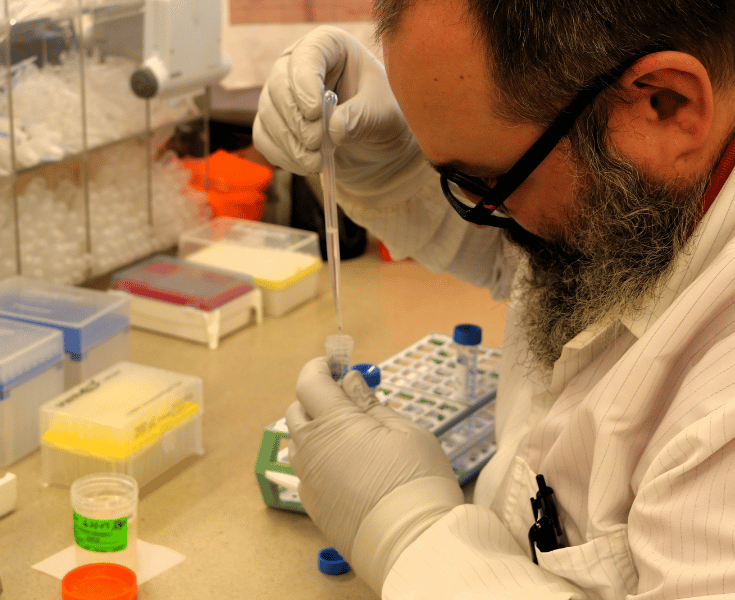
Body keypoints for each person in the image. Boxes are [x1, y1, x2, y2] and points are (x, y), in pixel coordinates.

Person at [254, 0, 735, 597]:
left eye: (490, 181)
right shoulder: (650, 197)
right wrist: (394, 169)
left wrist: (410, 533)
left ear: (668, 105)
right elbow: (538, 253)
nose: (492, 217)